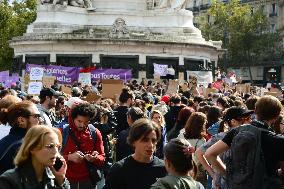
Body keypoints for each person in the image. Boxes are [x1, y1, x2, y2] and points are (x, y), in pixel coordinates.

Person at [205, 95, 284, 189]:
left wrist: (228, 175)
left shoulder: (237, 131)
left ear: (255, 110)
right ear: (276, 116)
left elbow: (209, 154)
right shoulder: (279, 140)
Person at [195, 106, 253, 189]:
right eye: (247, 119)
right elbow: (198, 153)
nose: (250, 121)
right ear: (233, 122)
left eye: (250, 118)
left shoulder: (249, 136)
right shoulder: (221, 137)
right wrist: (213, 174)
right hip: (223, 184)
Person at [103, 118, 167, 189]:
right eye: (145, 140)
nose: (150, 145)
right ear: (133, 141)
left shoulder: (164, 169)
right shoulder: (119, 170)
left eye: (153, 140)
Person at [0, 125, 69, 189]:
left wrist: (61, 181)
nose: (56, 152)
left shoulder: (54, 177)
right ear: (32, 148)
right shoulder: (9, 180)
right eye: (50, 146)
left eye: (58, 147)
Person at [61, 103, 105, 189]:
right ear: (72, 118)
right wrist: (69, 157)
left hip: (88, 181)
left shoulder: (95, 133)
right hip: (66, 180)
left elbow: (102, 157)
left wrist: (95, 158)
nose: (82, 125)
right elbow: (52, 159)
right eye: (79, 121)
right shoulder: (61, 132)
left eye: (86, 122)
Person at [0, 101, 41, 175]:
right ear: (21, 120)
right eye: (36, 116)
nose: (40, 120)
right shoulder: (21, 146)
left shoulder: (8, 140)